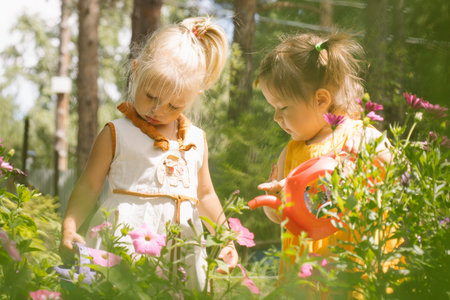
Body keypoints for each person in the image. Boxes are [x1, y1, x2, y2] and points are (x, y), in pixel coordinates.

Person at [61, 17, 238, 291]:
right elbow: (89, 186)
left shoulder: (196, 140)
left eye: (174, 105)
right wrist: (71, 225)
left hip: (180, 256)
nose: (159, 110)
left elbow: (205, 195)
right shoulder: (115, 133)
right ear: (136, 71)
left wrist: (226, 238)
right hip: (123, 249)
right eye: (151, 96)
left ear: (194, 96)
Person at [256, 33, 394, 278]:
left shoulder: (359, 135)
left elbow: (400, 174)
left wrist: (376, 153)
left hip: (353, 267)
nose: (276, 117)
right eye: (272, 108)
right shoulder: (290, 152)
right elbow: (281, 217)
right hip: (305, 277)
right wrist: (275, 202)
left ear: (320, 99)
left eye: (283, 107)